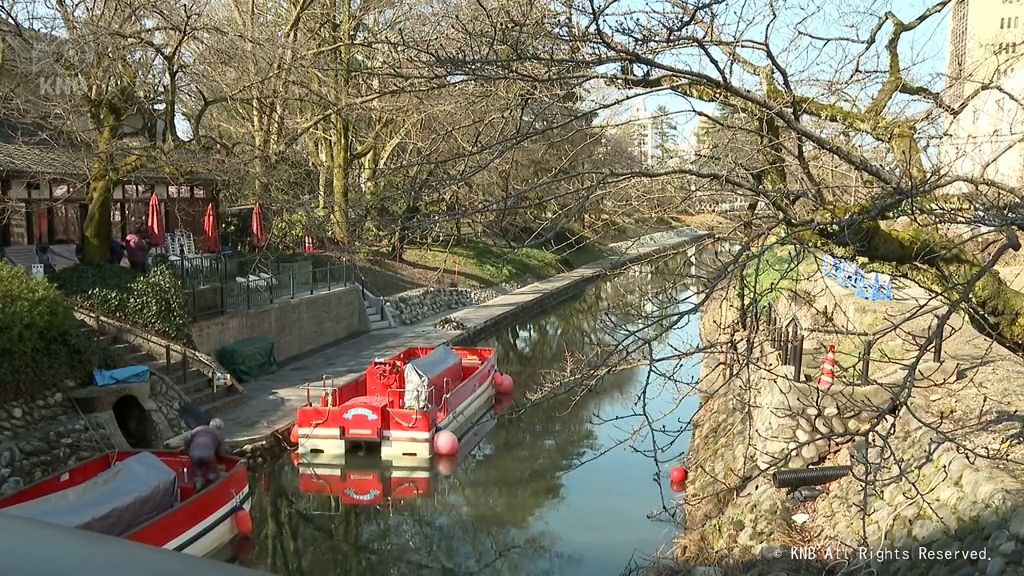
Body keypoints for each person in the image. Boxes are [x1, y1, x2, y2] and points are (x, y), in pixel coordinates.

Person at [183, 418, 228, 490]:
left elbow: (187, 440)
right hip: (208, 454)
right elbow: (221, 453)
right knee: (213, 472)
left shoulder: (198, 429)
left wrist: (187, 449)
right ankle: (209, 485)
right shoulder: (219, 435)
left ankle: (198, 484)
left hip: (193, 453)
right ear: (220, 428)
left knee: (197, 472)